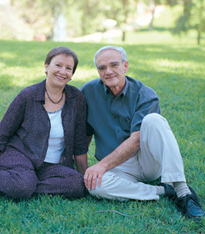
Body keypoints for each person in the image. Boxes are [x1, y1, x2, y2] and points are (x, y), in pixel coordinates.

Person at [81, 45, 204, 221]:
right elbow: (84, 134)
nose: (108, 71)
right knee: (95, 186)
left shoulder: (145, 94)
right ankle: (163, 191)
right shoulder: (88, 92)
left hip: (147, 162)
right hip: (117, 168)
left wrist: (101, 166)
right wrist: (79, 168)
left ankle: (183, 191)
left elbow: (136, 141)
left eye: (114, 65)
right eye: (102, 67)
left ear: (125, 65)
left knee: (153, 120)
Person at [0, 47, 88, 199]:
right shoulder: (28, 95)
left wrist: (84, 176)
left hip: (52, 165)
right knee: (23, 184)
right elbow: (3, 134)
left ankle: (22, 184)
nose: (62, 71)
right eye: (58, 65)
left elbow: (79, 142)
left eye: (68, 68)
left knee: (76, 185)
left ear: (71, 74)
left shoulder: (76, 99)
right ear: (46, 66)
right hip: (20, 155)